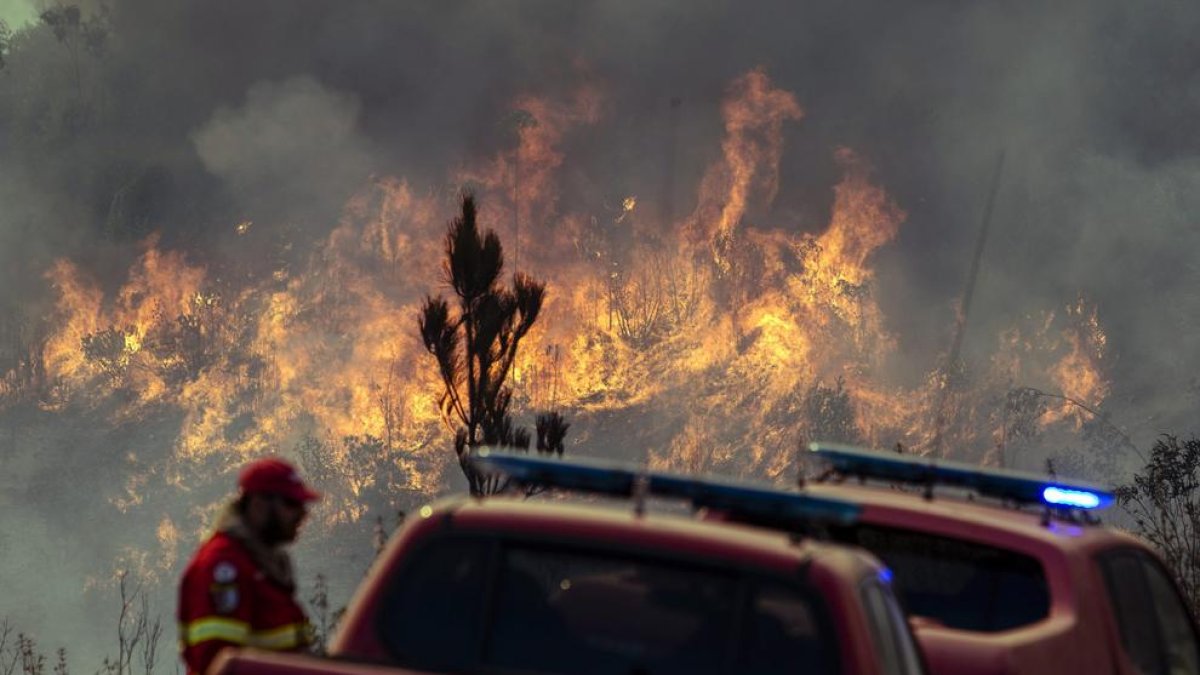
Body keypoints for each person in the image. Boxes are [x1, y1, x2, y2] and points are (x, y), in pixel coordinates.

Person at [177, 457, 321, 675]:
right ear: (258, 505)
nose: (302, 514)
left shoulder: (262, 567)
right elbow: (218, 665)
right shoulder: (224, 567)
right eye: (291, 504)